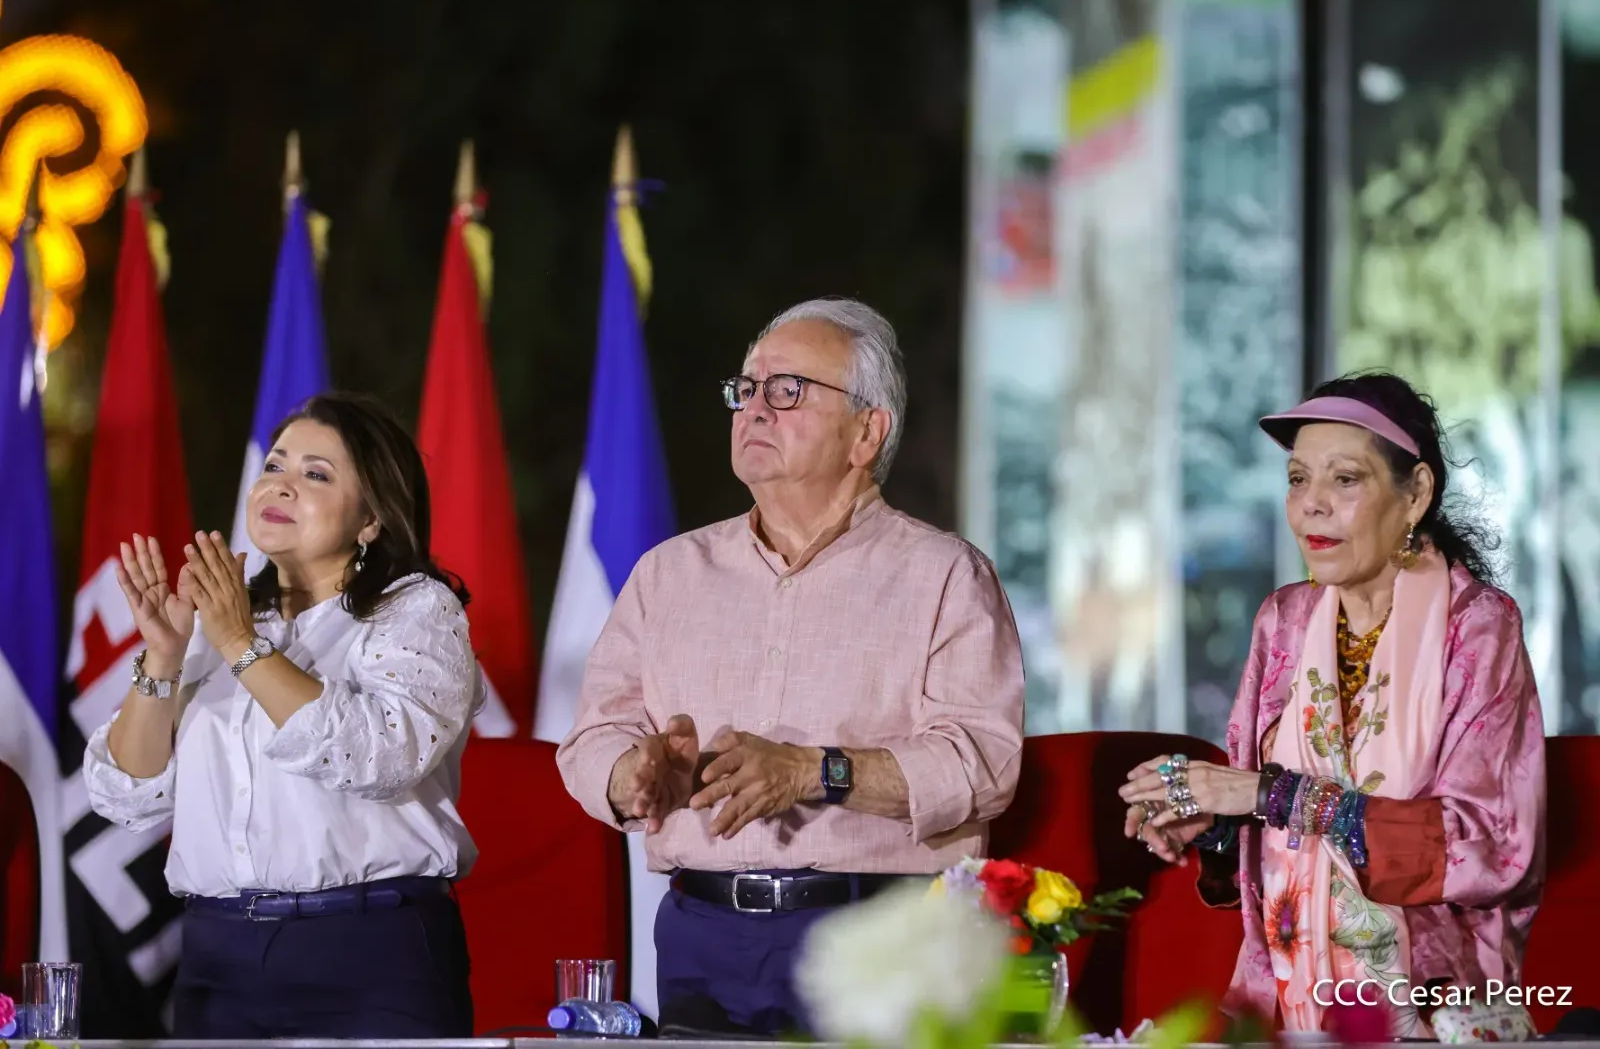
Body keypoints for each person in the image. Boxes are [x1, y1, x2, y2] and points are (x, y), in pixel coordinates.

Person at [556, 297, 1026, 1036]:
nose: (754, 410)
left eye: (788, 390)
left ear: (867, 431)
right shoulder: (668, 574)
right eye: (745, 390)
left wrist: (815, 771)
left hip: (880, 933)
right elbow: (592, 740)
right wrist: (636, 775)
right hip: (701, 930)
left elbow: (981, 765)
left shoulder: (944, 575)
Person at [1118, 372, 1545, 1037]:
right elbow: (1257, 825)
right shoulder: (1282, 622)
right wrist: (1210, 825)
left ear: (1416, 494)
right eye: (1296, 479)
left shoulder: (1477, 629)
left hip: (1435, 1010)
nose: (1311, 504)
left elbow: (1491, 844)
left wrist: (1274, 796)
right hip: (1292, 1005)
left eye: (1344, 480)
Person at [84, 392, 481, 1038]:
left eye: (315, 474)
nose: (282, 485)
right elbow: (125, 796)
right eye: (275, 464)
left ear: (372, 519)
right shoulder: (220, 617)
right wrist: (162, 655)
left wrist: (242, 646)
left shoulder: (415, 610)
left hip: (367, 951)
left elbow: (380, 757)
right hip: (218, 956)